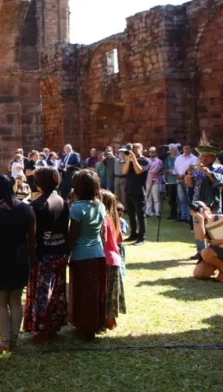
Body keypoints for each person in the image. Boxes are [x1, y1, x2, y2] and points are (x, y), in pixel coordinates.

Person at [0, 175, 35, 352]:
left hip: (0, 259)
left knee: (0, 302)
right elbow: (32, 241)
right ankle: (14, 339)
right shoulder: (27, 209)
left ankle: (5, 341)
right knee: (15, 300)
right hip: (20, 258)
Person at [24, 167, 69, 342]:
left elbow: (32, 234)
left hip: (44, 254)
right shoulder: (63, 201)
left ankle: (42, 328)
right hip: (60, 251)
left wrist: (31, 251)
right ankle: (55, 325)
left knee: (43, 293)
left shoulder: (37, 205)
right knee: (57, 291)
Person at [68, 170, 107, 340]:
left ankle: (85, 327)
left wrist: (66, 253)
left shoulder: (77, 208)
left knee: (83, 292)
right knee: (95, 291)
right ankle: (96, 323)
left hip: (82, 255)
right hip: (98, 253)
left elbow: (73, 235)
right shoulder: (100, 205)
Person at [186, 141, 223, 258]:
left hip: (212, 203)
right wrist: (189, 173)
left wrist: (209, 173)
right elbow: (190, 185)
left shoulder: (221, 168)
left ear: (213, 157)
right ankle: (201, 252)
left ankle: (219, 252)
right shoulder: (197, 168)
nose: (203, 158)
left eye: (206, 156)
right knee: (198, 225)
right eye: (201, 156)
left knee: (215, 227)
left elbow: (221, 184)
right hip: (197, 202)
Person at [101, 190, 126, 330]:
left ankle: (106, 319)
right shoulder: (116, 219)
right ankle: (112, 320)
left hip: (105, 258)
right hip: (115, 259)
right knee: (112, 293)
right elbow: (120, 239)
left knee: (105, 291)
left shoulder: (103, 219)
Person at [192, 204, 223, 282]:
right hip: (217, 252)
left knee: (206, 252)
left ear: (208, 209)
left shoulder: (221, 218)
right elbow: (200, 238)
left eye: (201, 209)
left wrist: (221, 241)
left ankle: (222, 273)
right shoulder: (198, 222)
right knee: (199, 274)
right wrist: (201, 220)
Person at [124, 143, 150, 245]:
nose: (134, 150)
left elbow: (138, 171)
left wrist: (134, 159)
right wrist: (128, 159)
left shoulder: (145, 161)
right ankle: (133, 234)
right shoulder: (130, 161)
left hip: (139, 191)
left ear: (142, 150)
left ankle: (141, 238)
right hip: (129, 190)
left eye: (137, 148)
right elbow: (124, 171)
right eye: (133, 149)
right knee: (131, 215)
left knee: (140, 215)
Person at [175, 144, 199, 225]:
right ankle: (183, 216)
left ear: (191, 149)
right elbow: (175, 168)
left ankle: (190, 217)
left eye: (188, 148)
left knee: (189, 199)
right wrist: (178, 176)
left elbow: (194, 170)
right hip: (180, 181)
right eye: (185, 148)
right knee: (182, 199)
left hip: (189, 181)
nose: (186, 150)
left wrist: (184, 175)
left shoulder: (194, 159)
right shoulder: (179, 158)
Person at [144, 147, 164, 218]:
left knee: (156, 198)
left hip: (156, 181)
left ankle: (157, 212)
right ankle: (148, 212)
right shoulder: (147, 160)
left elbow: (155, 170)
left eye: (153, 152)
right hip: (147, 181)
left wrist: (147, 170)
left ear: (156, 153)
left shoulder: (159, 161)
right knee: (148, 197)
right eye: (150, 152)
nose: (151, 153)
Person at [164, 144, 180, 220]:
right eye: (171, 150)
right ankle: (173, 214)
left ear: (177, 150)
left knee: (180, 199)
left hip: (180, 180)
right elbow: (165, 168)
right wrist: (169, 171)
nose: (172, 151)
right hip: (171, 180)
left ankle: (182, 214)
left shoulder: (181, 157)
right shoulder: (168, 158)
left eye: (173, 149)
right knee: (171, 199)